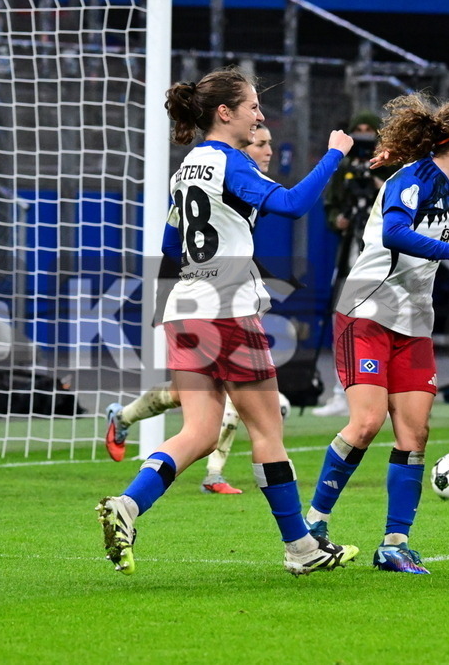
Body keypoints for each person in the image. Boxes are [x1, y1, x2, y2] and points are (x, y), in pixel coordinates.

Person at [96, 66, 359, 576]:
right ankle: (301, 549)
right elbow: (293, 204)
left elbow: (173, 246)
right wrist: (334, 154)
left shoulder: (186, 167)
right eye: (254, 107)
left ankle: (128, 505)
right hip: (228, 308)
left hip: (186, 306)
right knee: (268, 430)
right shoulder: (226, 162)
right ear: (225, 112)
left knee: (198, 431)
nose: (260, 114)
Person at [303, 93, 449, 574]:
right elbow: (395, 233)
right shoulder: (412, 178)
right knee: (365, 423)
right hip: (368, 310)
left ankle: (394, 544)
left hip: (414, 321)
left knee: (415, 432)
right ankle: (313, 527)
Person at [103, 125, 277, 497]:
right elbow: (175, 241)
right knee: (241, 409)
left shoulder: (200, 174)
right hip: (206, 299)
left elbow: (177, 238)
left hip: (198, 295)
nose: (268, 151)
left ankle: (124, 420)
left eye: (270, 144)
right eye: (261, 143)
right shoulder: (229, 173)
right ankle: (214, 474)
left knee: (191, 404)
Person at [313, 111, 393, 418]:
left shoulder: (391, 168)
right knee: (342, 322)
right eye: (356, 130)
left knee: (380, 323)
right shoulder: (344, 170)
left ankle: (378, 391)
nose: (362, 137)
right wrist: (339, 220)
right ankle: (338, 391)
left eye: (367, 131)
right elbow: (331, 206)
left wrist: (377, 182)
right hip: (349, 255)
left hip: (381, 257)